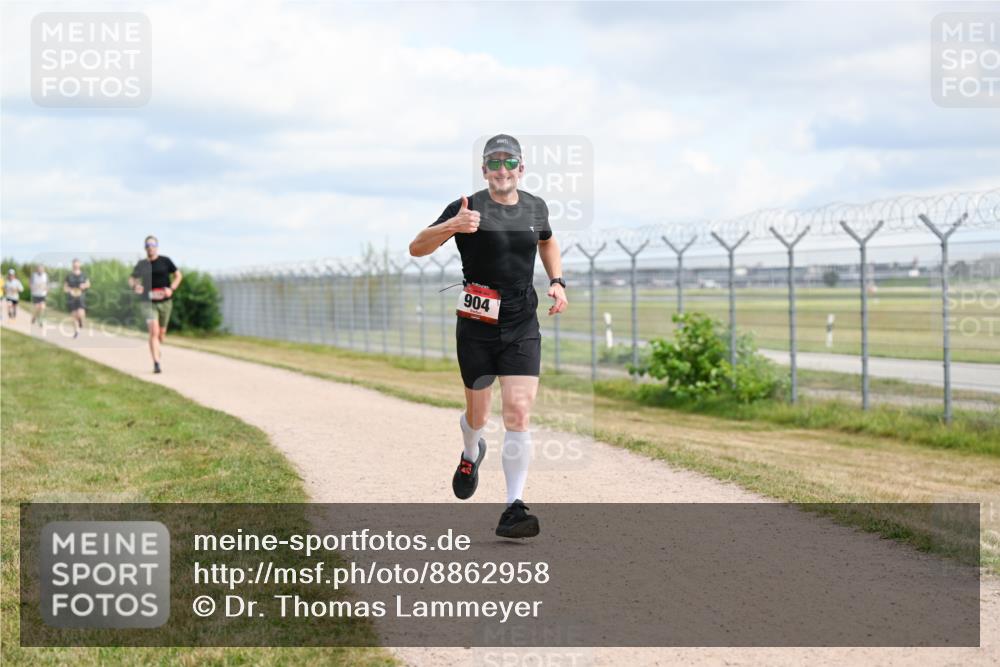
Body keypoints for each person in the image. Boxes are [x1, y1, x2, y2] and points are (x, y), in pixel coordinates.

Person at [408, 134, 568, 539]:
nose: (502, 169)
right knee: (478, 416)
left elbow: (548, 241)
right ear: (484, 170)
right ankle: (471, 451)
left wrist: (557, 281)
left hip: (522, 324)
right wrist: (452, 226)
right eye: (493, 163)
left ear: (521, 168)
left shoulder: (536, 207)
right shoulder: (466, 206)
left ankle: (514, 507)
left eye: (509, 162)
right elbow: (416, 248)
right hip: (477, 327)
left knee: (518, 412)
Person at [128, 236, 182, 373]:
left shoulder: (165, 261)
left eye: (153, 244)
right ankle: (156, 363)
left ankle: (157, 348)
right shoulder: (141, 264)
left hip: (165, 302)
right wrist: (135, 286)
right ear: (145, 247)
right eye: (148, 245)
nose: (150, 247)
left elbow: (178, 276)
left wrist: (171, 289)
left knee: (161, 334)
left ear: (157, 246)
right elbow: (132, 278)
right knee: (154, 332)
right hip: (148, 302)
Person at [63, 259, 91, 338]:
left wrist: (84, 285)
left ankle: (81, 321)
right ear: (72, 265)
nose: (75, 266)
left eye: (77, 264)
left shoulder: (83, 275)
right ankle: (76, 331)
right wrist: (69, 290)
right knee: (74, 315)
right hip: (71, 297)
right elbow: (65, 288)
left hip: (80, 296)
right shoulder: (69, 276)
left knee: (81, 313)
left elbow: (88, 284)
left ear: (79, 265)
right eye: (74, 264)